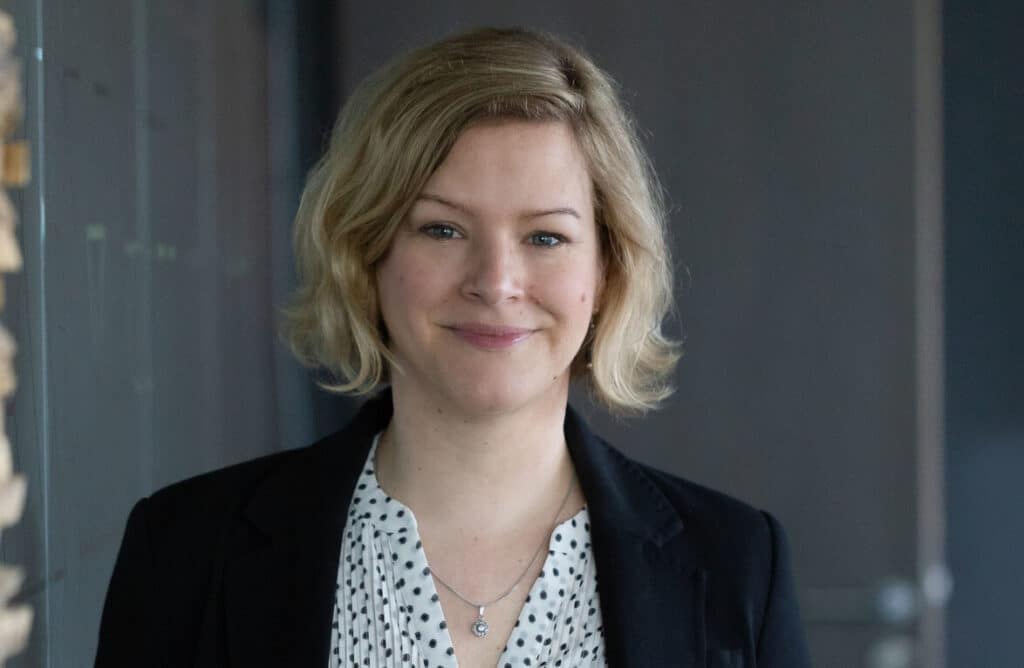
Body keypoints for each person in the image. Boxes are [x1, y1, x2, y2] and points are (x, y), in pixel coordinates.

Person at [96, 27, 810, 668]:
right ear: (366, 251)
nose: (496, 283)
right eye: (442, 229)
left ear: (608, 269)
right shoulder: (187, 549)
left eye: (546, 237)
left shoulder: (738, 565)